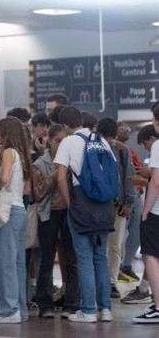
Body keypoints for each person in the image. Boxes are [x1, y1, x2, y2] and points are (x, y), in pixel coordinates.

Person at [54, 106, 115, 323]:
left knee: (84, 260)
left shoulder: (68, 142)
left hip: (82, 202)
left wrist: (70, 203)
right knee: (101, 257)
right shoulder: (101, 140)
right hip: (105, 204)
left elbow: (61, 177)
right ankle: (105, 309)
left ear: (64, 126)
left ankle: (88, 310)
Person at [0, 117, 32, 324]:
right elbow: (26, 189)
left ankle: (8, 310)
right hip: (19, 211)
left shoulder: (7, 152)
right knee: (17, 264)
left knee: (3, 263)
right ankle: (20, 309)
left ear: (6, 132)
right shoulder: (22, 155)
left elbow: (3, 179)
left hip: (6, 212)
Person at [32, 124, 80, 318]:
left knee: (72, 260)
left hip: (69, 214)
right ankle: (45, 305)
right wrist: (56, 174)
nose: (61, 144)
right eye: (58, 140)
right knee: (46, 260)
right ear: (49, 141)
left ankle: (72, 304)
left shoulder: (73, 161)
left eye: (64, 141)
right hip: (48, 214)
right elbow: (38, 192)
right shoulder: (39, 164)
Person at [96, 117, 135, 299]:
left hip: (117, 205)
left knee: (115, 246)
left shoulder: (121, 149)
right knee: (99, 246)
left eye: (111, 137)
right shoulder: (92, 148)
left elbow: (129, 176)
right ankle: (99, 281)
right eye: (105, 136)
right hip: (97, 204)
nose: (108, 141)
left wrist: (128, 202)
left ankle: (111, 282)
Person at [134, 106, 159, 323]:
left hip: (157, 211)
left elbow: (157, 182)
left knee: (150, 256)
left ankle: (158, 307)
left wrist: (145, 211)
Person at [118, 120, 145, 284]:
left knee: (137, 232)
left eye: (128, 127)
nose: (127, 129)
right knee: (119, 235)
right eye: (122, 127)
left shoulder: (129, 149)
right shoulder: (115, 148)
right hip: (125, 195)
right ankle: (115, 269)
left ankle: (126, 264)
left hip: (137, 192)